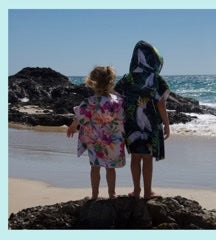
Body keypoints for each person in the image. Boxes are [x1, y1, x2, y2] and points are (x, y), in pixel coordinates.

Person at [115, 40, 170, 199]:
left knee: (135, 157)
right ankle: (147, 192)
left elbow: (116, 98)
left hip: (131, 124)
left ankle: (136, 190)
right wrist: (167, 125)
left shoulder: (128, 78)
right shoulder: (156, 79)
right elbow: (161, 105)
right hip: (151, 125)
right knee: (147, 159)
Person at [67, 66, 125, 199]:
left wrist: (73, 126)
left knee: (95, 167)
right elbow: (123, 119)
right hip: (112, 139)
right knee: (110, 168)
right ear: (110, 81)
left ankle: (94, 194)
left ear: (92, 82)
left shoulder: (89, 102)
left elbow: (80, 116)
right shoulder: (118, 101)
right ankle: (112, 193)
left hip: (94, 139)